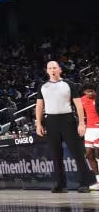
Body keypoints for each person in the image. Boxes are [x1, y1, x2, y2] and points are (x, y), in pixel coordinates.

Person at [35, 61, 99, 192]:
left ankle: (85, 183)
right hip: (51, 121)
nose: (52, 70)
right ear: (47, 71)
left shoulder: (69, 84)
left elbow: (78, 105)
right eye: (50, 68)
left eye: (54, 67)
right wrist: (38, 123)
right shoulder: (42, 86)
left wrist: (82, 123)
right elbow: (39, 106)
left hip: (67, 119)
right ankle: (61, 184)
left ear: (60, 70)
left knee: (77, 153)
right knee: (55, 154)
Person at [83, 83, 99, 175]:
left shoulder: (97, 99)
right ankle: (98, 179)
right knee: (89, 154)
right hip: (89, 130)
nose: (89, 93)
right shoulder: (82, 100)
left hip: (98, 127)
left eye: (91, 91)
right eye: (87, 92)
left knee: (98, 152)